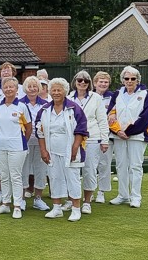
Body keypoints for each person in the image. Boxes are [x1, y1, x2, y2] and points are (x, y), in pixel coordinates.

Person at [36, 78, 89, 222]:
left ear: (65, 91)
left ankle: (76, 209)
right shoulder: (44, 110)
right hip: (52, 151)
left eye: (59, 90)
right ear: (49, 91)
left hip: (71, 150)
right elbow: (39, 132)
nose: (56, 93)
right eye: (53, 90)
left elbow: (81, 129)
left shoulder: (74, 108)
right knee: (54, 178)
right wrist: (43, 150)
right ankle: (57, 208)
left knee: (73, 179)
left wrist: (74, 148)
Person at [107, 66, 148, 208]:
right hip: (119, 135)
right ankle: (123, 195)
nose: (129, 81)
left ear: (138, 80)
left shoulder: (145, 94)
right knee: (121, 165)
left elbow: (146, 117)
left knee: (135, 166)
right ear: (123, 80)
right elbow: (110, 113)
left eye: (133, 79)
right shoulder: (117, 94)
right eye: (127, 78)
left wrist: (129, 131)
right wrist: (118, 131)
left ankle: (135, 197)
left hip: (137, 136)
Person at [0, 77, 32, 219]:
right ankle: (6, 204)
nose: (8, 89)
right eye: (6, 87)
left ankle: (18, 206)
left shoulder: (22, 106)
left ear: (16, 89)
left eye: (11, 87)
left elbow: (28, 127)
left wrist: (20, 141)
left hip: (17, 146)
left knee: (15, 175)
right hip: (0, 146)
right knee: (4, 175)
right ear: (2, 89)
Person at [70, 70, 109, 215]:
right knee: (72, 169)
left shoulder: (96, 98)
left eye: (86, 81)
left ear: (89, 83)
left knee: (90, 170)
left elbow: (102, 120)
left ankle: (87, 202)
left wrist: (104, 140)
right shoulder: (68, 98)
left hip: (92, 137)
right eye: (80, 80)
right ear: (75, 82)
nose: (82, 83)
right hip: (73, 139)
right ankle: (72, 199)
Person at [19, 76, 50, 211]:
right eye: (29, 86)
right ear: (25, 88)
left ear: (39, 88)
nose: (32, 89)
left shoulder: (46, 104)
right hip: (23, 143)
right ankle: (22, 199)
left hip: (40, 143)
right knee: (23, 170)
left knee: (40, 170)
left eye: (35, 86)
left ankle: (38, 199)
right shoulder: (19, 103)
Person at [93, 71, 115, 203]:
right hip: (90, 136)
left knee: (104, 164)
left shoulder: (113, 97)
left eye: (106, 82)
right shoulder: (89, 96)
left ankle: (101, 192)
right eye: (100, 81)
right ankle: (89, 190)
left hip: (107, 135)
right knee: (89, 165)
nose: (103, 84)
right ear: (95, 83)